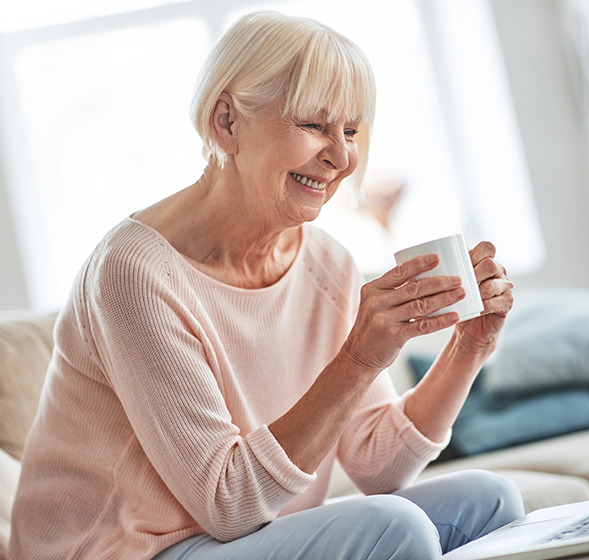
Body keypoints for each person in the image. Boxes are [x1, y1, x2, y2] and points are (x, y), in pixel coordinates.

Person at [9, 11, 522, 560]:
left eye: (350, 131)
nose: (343, 157)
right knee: (394, 527)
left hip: (241, 539)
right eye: (314, 126)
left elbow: (376, 462)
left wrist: (469, 348)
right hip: (127, 553)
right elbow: (228, 503)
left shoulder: (328, 263)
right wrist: (357, 359)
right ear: (226, 123)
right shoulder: (132, 273)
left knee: (490, 499)